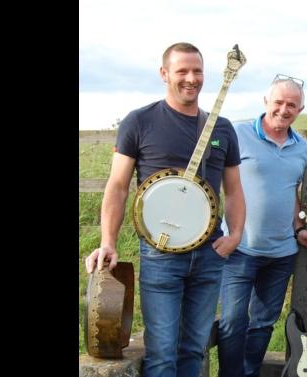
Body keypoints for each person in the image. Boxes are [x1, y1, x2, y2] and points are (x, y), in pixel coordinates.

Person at [84, 42, 246, 377]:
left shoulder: (223, 128)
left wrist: (236, 235)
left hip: (210, 255)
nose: (191, 78)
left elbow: (233, 189)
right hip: (161, 256)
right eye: (182, 71)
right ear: (164, 74)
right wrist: (109, 241)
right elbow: (116, 186)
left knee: (194, 350)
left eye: (197, 71)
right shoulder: (139, 122)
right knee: (161, 356)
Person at [217, 74, 307, 377]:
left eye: (292, 105)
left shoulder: (301, 147)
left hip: (281, 254)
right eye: (279, 102)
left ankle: (249, 373)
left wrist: (298, 229)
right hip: (240, 247)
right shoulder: (236, 133)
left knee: (263, 323)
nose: (284, 109)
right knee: (233, 322)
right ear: (266, 102)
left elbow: (292, 192)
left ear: (300, 110)